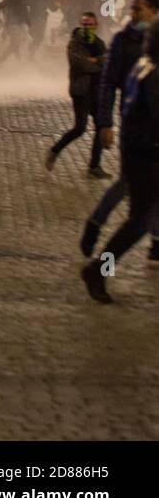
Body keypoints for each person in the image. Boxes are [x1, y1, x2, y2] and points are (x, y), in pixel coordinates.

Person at [81, 22, 159, 303]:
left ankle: (99, 269)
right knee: (139, 222)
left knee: (141, 220)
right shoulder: (153, 75)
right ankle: (98, 270)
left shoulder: (143, 66)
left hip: (138, 152)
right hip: (147, 156)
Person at [47, 12, 107, 177]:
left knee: (101, 127)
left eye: (90, 25)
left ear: (96, 25)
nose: (88, 28)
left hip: (97, 91)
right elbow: (82, 65)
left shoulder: (99, 43)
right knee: (80, 128)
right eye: (85, 25)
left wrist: (97, 60)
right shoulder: (75, 44)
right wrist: (98, 62)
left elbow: (107, 61)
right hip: (81, 91)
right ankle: (54, 151)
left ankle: (94, 167)